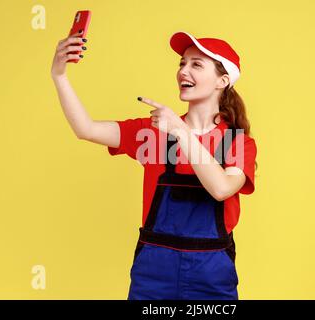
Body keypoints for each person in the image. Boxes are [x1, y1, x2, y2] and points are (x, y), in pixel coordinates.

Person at [51, 30, 257, 300]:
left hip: (210, 274)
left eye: (196, 64)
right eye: (182, 63)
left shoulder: (236, 142)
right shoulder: (154, 132)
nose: (184, 70)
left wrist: (180, 131)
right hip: (153, 273)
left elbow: (221, 188)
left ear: (223, 80)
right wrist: (59, 76)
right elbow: (85, 129)